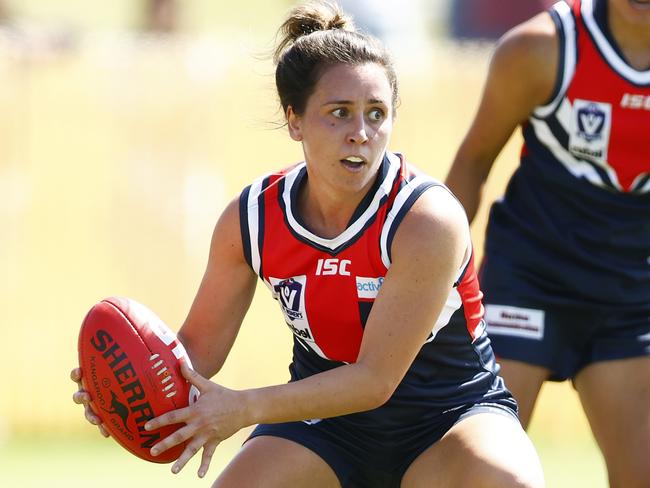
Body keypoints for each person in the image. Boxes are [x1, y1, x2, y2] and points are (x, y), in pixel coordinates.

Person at [72, 2, 544, 486]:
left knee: (512, 481)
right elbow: (197, 352)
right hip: (325, 427)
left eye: (376, 114)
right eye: (339, 113)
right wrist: (128, 389)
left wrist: (242, 408)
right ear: (294, 120)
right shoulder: (251, 217)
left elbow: (374, 380)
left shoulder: (426, 219)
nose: (360, 134)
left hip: (448, 415)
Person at [445, 0, 650, 486]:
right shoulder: (541, 48)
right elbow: (473, 164)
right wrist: (426, 289)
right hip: (528, 280)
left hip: (629, 294)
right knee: (480, 470)